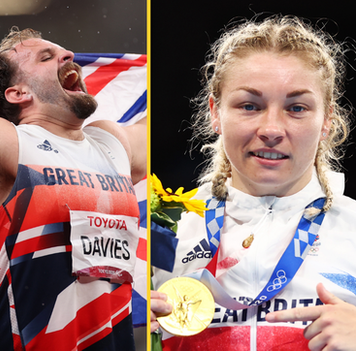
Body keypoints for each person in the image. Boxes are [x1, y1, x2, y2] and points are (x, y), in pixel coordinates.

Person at [150, 15, 356, 350]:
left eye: (297, 108)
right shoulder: (165, 232)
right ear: (216, 112)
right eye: (250, 105)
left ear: (327, 121)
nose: (272, 129)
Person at [0, 27, 147, 350]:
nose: (69, 56)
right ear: (18, 93)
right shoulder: (7, 141)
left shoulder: (112, 144)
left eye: (64, 52)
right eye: (46, 57)